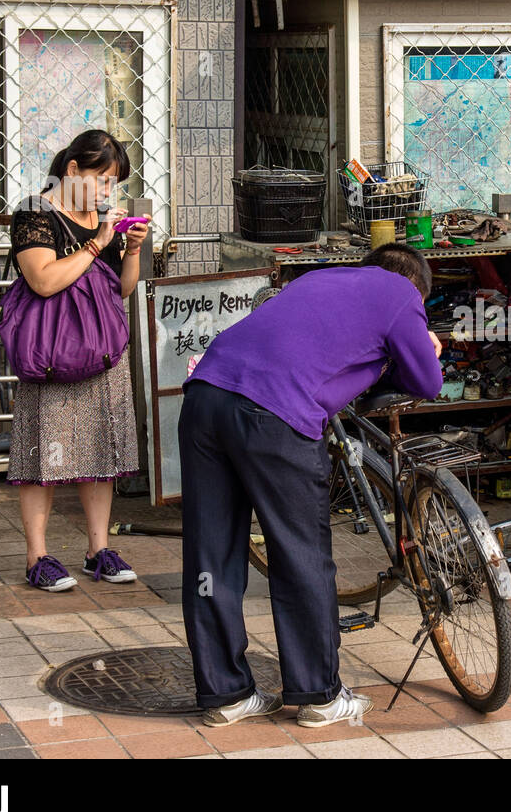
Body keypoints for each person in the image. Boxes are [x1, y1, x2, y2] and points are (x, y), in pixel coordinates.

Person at [179, 243, 443, 728]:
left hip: (204, 398)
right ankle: (319, 696)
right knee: (300, 554)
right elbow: (428, 382)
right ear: (418, 288)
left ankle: (224, 694)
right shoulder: (402, 295)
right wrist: (427, 345)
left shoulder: (320, 278)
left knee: (210, 554)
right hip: (274, 415)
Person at [8, 129, 151, 592]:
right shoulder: (35, 211)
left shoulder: (102, 216)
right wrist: (94, 244)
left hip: (101, 349)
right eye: (103, 180)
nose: (109, 192)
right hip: (50, 349)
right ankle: (38, 556)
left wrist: (131, 249)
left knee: (100, 449)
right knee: (41, 453)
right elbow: (44, 280)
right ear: (72, 171)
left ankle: (98, 550)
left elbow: (123, 289)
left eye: (114, 184)